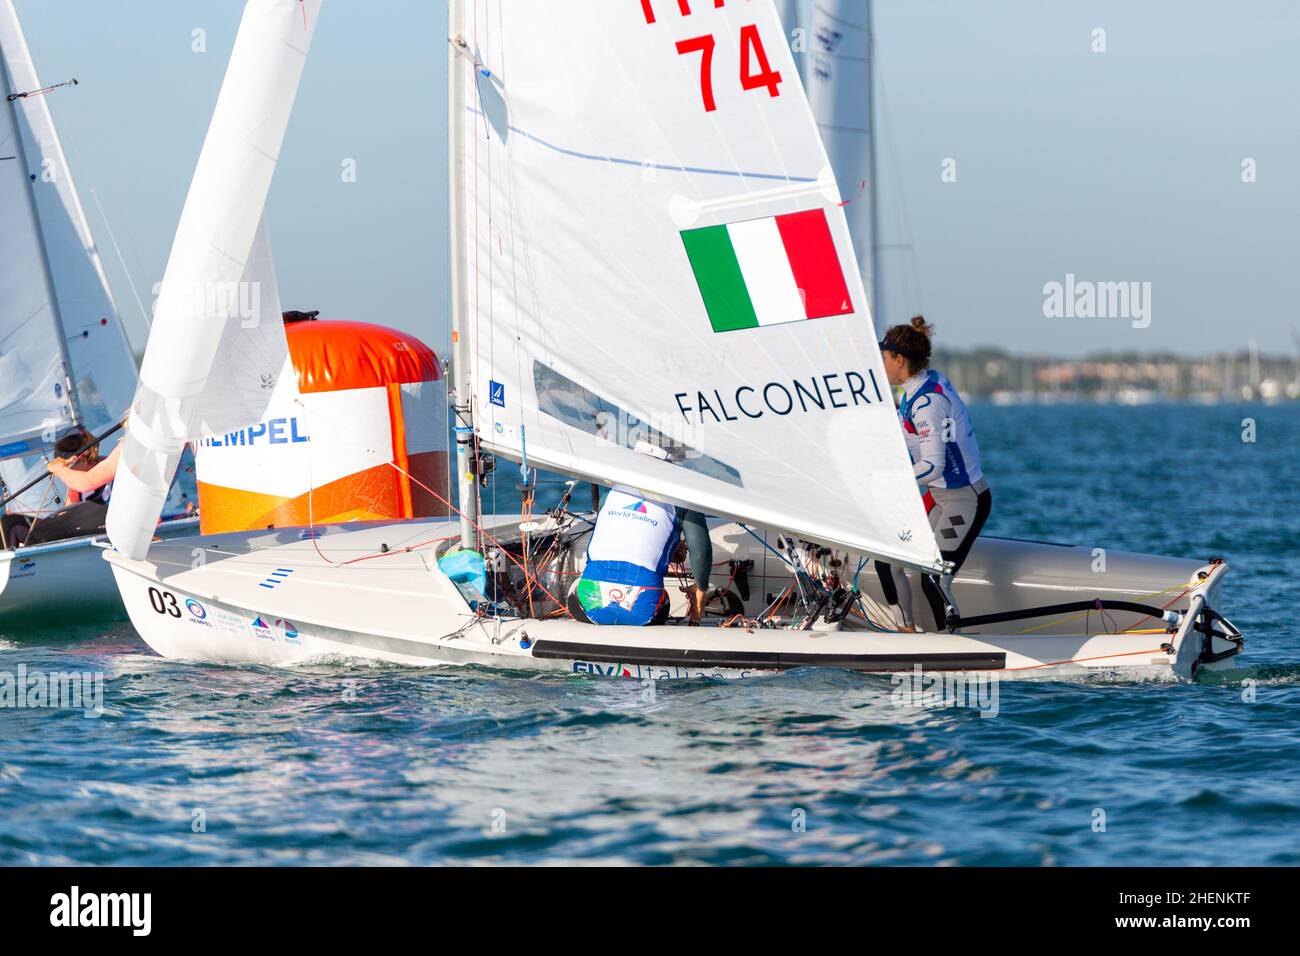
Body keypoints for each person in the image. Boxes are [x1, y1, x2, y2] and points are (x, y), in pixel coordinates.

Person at [875, 316, 992, 632]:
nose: (879, 362)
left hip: (965, 501)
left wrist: (885, 483)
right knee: (887, 562)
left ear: (900, 360)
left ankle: (948, 644)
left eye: (883, 356)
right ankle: (907, 634)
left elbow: (933, 465)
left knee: (932, 578)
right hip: (939, 497)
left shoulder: (928, 402)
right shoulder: (916, 388)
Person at [568, 486, 712, 626]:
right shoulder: (685, 494)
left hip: (590, 606)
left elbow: (620, 535)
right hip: (646, 610)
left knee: (577, 586)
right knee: (659, 598)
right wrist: (700, 594)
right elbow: (701, 553)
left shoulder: (610, 490)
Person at [0, 427, 120, 548]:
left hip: (110, 532)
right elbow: (67, 515)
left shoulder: (108, 468)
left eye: (68, 467)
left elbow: (86, 483)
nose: (64, 475)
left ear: (82, 461)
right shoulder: (75, 485)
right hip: (84, 534)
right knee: (10, 522)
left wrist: (60, 470)